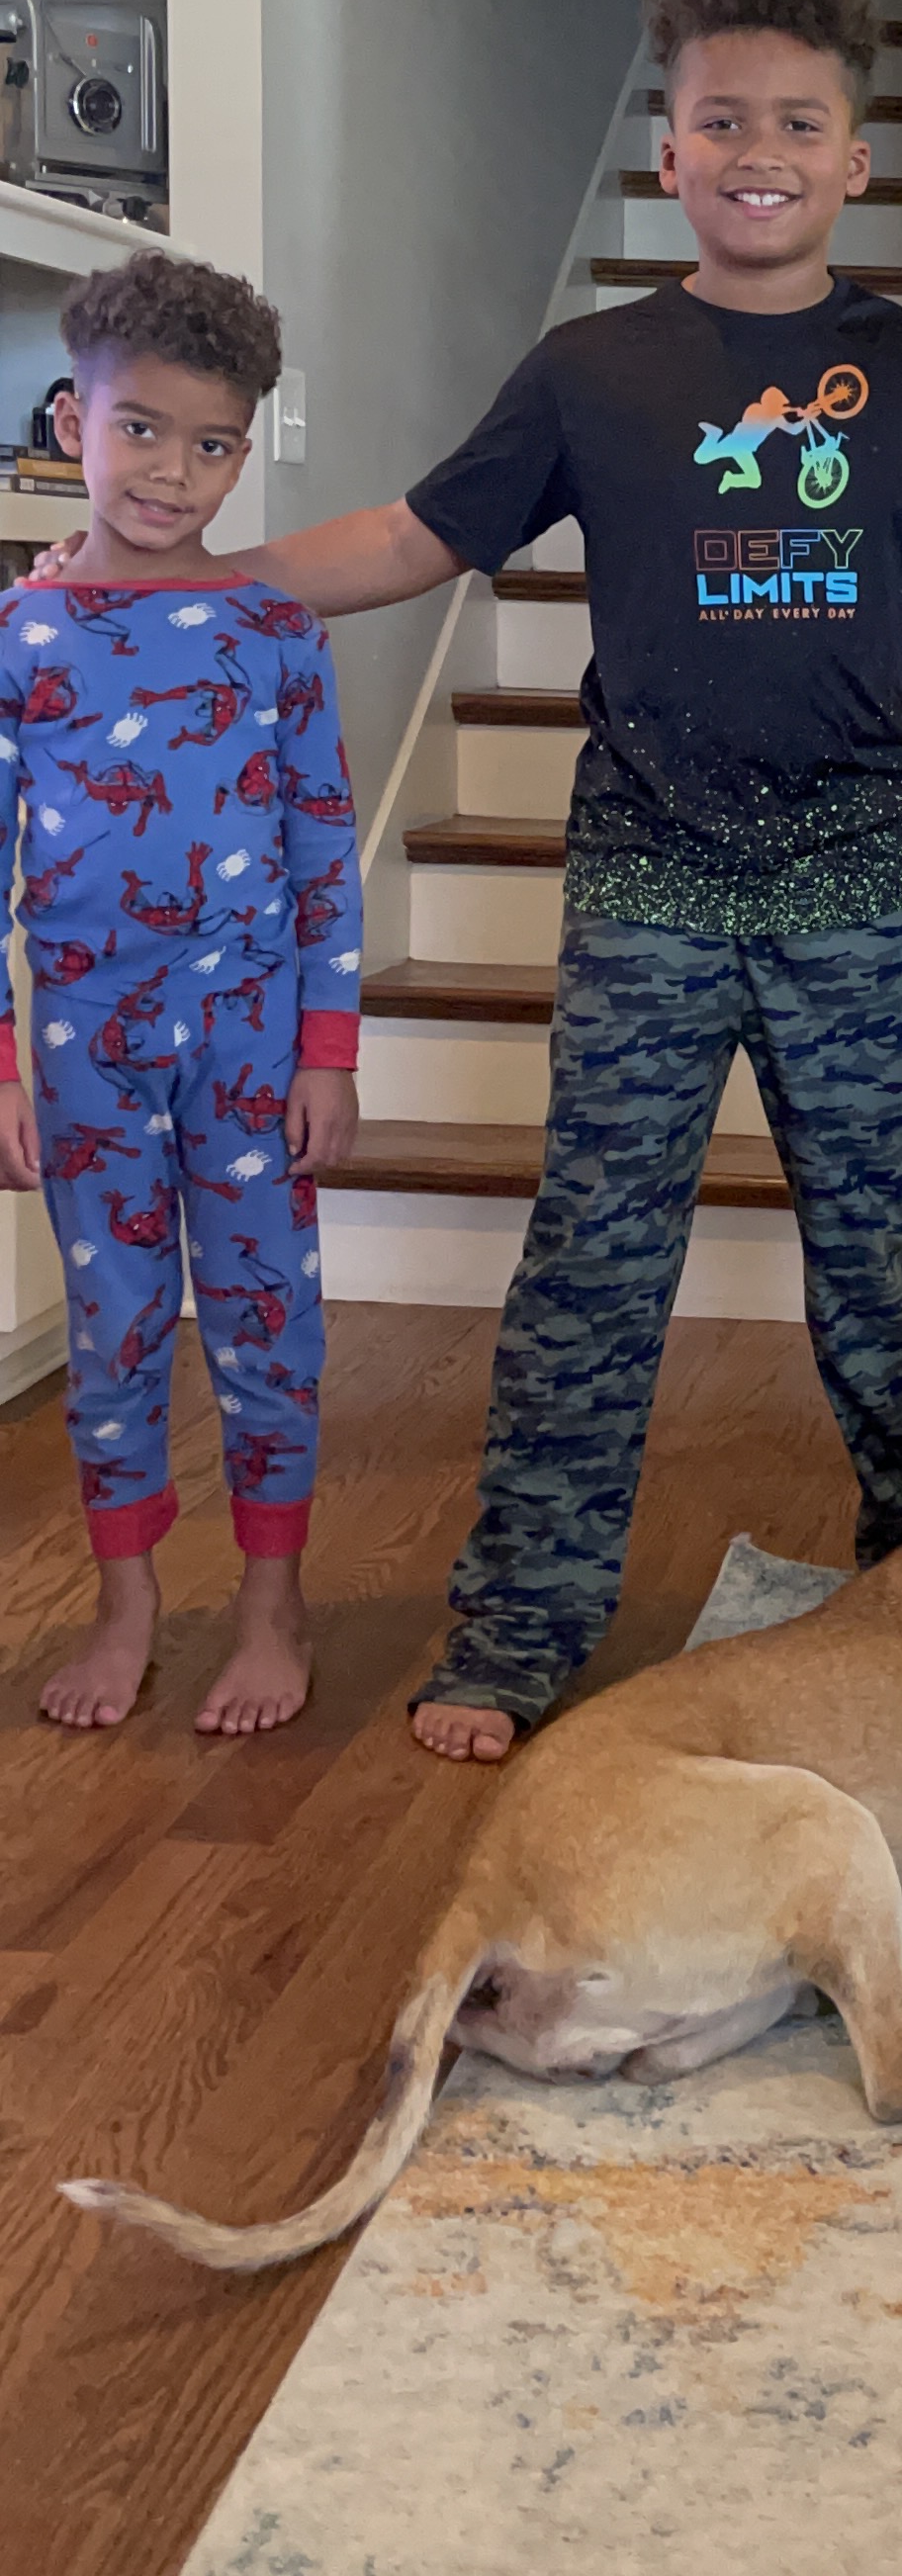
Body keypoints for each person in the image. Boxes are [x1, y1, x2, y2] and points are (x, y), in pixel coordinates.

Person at [24, 0, 902, 1764]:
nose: (762, 151)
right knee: (593, 1267)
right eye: (724, 121)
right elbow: (414, 537)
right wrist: (188, 578)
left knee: (874, 1272)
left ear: (855, 159)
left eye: (800, 124)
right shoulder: (593, 369)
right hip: (649, 884)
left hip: (855, 888)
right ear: (669, 153)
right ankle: (522, 1624)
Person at [0, 250, 361, 1734]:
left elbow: (323, 847)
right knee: (115, 1327)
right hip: (85, 1048)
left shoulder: (275, 634)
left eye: (214, 445)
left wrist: (328, 1050)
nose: (172, 471)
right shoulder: (21, 635)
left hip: (253, 1040)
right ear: (71, 420)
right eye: (139, 427)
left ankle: (274, 1608)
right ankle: (127, 1604)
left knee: (269, 1320)